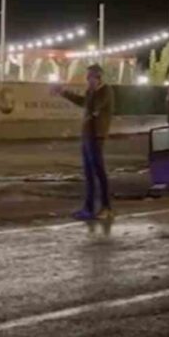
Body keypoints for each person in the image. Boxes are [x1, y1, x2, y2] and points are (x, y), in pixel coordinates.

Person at [53, 64, 114, 221]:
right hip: (87, 136)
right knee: (88, 174)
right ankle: (88, 208)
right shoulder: (92, 91)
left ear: (97, 77)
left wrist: (91, 97)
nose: (87, 80)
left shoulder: (105, 91)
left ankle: (106, 207)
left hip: (97, 136)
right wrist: (63, 92)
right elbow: (83, 102)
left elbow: (94, 107)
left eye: (90, 77)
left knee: (99, 172)